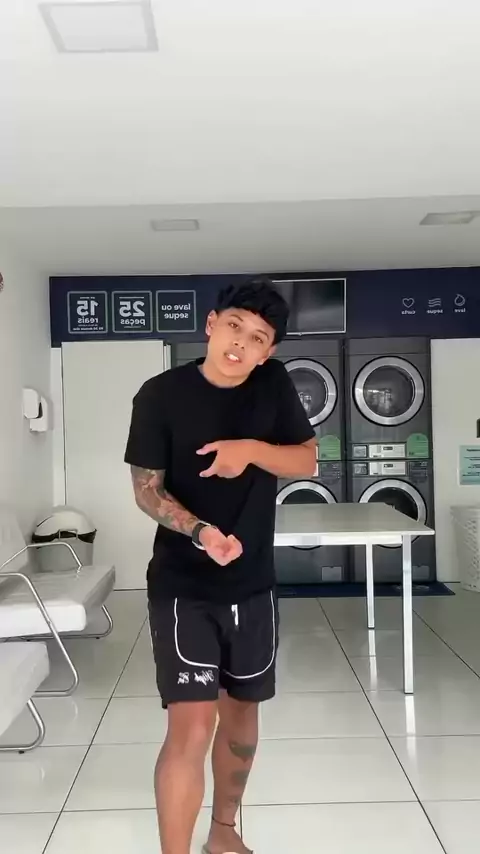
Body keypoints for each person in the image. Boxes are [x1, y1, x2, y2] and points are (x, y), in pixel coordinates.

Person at [124, 277, 316, 854]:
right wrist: (201, 532)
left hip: (253, 584)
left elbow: (307, 461)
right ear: (211, 325)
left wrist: (248, 451)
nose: (241, 343)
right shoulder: (159, 395)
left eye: (257, 337)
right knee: (191, 725)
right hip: (183, 586)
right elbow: (147, 491)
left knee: (242, 717)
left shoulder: (273, 384)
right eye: (234, 326)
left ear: (268, 351)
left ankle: (224, 833)